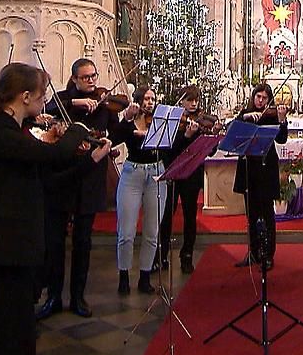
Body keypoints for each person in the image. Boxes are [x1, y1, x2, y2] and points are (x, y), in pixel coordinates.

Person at [0, 62, 107, 355]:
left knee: (17, 334)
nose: (43, 103)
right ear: (24, 97)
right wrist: (78, 130)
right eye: (40, 96)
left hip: (14, 250)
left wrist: (89, 162)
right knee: (7, 335)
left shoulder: (11, 132)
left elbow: (46, 181)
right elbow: (51, 157)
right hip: (2, 251)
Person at [40, 58, 137, 319]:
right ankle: (53, 297)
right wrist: (75, 103)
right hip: (63, 177)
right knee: (55, 241)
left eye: (93, 76)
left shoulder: (105, 105)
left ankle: (78, 297)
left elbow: (115, 134)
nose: (92, 81)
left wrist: (126, 121)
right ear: (74, 79)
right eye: (86, 77)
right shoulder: (62, 99)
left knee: (84, 241)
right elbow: (45, 112)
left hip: (91, 176)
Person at [159, 86, 217, 275]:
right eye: (189, 100)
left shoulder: (201, 121)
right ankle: (162, 255)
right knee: (167, 214)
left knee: (190, 216)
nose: (193, 104)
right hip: (174, 171)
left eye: (196, 100)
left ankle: (187, 256)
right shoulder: (172, 120)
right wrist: (186, 136)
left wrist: (213, 137)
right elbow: (168, 150)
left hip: (192, 174)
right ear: (181, 101)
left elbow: (210, 151)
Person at [234, 83, 288, 270]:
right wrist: (246, 117)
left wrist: (281, 120)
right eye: (258, 97)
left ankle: (268, 254)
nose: (261, 101)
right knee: (252, 214)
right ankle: (254, 252)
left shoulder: (271, 116)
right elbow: (234, 129)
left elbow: (282, 139)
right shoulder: (246, 114)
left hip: (266, 168)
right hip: (249, 168)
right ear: (253, 97)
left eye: (265, 98)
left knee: (267, 214)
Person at [117, 86, 165, 295]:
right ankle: (124, 275)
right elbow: (116, 135)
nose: (149, 102)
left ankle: (145, 276)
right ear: (137, 100)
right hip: (132, 173)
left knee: (152, 231)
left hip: (156, 173)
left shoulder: (161, 122)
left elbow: (172, 144)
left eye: (152, 99)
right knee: (126, 232)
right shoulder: (129, 121)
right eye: (145, 99)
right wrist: (127, 119)